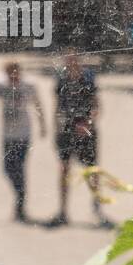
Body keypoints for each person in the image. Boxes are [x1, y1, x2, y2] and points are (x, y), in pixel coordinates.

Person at [0, 61, 45, 222]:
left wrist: (43, 125)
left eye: (15, 73)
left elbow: (37, 104)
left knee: (19, 168)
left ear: (19, 72)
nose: (13, 77)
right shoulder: (1, 85)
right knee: (7, 168)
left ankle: (20, 205)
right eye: (9, 74)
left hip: (24, 134)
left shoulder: (29, 85)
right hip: (7, 135)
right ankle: (20, 195)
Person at [51, 51, 111, 228]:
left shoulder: (88, 79)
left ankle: (96, 206)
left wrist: (88, 123)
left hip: (86, 130)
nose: (71, 64)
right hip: (66, 130)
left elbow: (97, 106)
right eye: (68, 61)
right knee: (64, 169)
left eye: (73, 61)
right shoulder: (61, 81)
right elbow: (57, 107)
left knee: (92, 170)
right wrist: (55, 129)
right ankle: (63, 210)